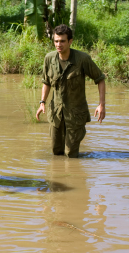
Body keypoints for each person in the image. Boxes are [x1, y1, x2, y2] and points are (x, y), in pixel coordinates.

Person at [36, 24, 106, 158]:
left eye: (62, 41)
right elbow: (46, 82)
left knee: (71, 154)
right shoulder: (49, 58)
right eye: (56, 41)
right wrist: (42, 102)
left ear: (70, 41)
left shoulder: (82, 59)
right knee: (56, 152)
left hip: (75, 114)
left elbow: (100, 79)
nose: (58, 44)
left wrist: (101, 104)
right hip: (56, 113)